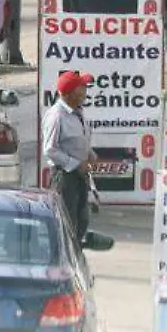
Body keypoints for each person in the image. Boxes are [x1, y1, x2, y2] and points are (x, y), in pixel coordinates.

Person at [44, 70, 94, 245]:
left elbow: (80, 138)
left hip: (79, 174)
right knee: (66, 222)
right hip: (65, 176)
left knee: (82, 220)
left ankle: (75, 253)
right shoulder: (56, 116)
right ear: (72, 93)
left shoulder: (78, 111)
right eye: (82, 89)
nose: (85, 93)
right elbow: (50, 149)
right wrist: (74, 164)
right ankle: (64, 257)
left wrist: (90, 153)